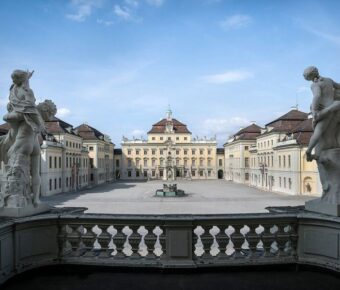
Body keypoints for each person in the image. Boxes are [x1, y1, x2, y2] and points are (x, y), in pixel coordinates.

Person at [303, 66, 340, 161]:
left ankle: (309, 150)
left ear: (309, 77)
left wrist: (314, 110)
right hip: (331, 107)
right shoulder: (329, 80)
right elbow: (339, 86)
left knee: (318, 131)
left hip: (322, 110)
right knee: (319, 130)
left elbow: (317, 96)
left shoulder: (315, 85)